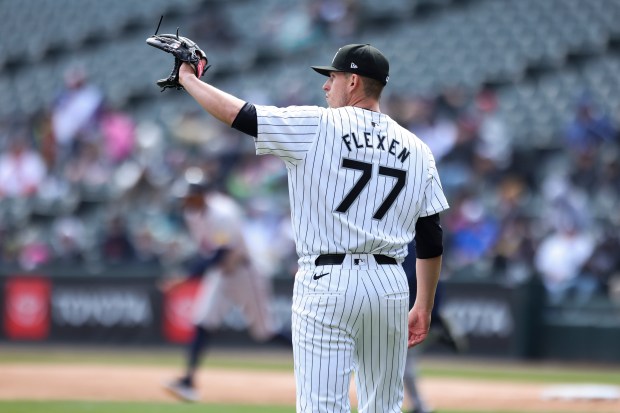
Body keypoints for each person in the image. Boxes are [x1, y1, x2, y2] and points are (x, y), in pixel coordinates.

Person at [173, 43, 449, 412]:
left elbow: (240, 115)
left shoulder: (317, 124)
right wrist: (424, 306)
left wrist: (188, 79)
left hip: (327, 282)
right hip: (390, 286)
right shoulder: (419, 150)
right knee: (384, 406)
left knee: (321, 406)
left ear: (352, 81)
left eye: (331, 78)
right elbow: (431, 238)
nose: (325, 87)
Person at [161, 175, 290, 403]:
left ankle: (316, 358)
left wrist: (185, 278)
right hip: (221, 274)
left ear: (202, 195)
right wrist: (189, 274)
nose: (185, 201)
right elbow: (208, 252)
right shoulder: (192, 214)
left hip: (245, 272)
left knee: (265, 332)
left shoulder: (224, 212)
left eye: (189, 196)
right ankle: (188, 381)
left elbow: (222, 252)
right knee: (202, 321)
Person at [402, 241, 468, 413]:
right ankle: (418, 405)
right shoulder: (413, 243)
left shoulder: (409, 245)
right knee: (402, 364)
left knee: (403, 364)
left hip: (409, 310)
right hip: (410, 308)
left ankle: (419, 406)